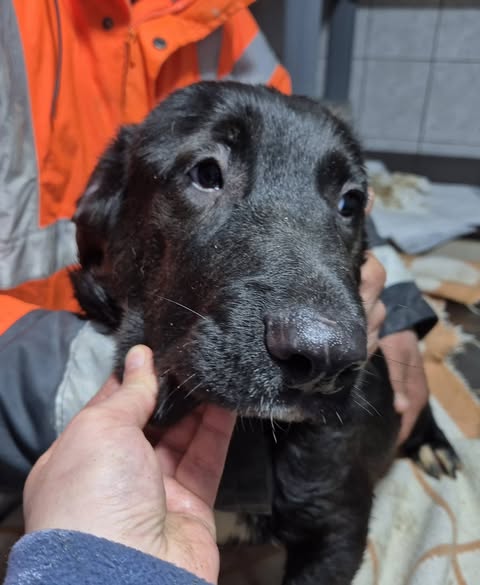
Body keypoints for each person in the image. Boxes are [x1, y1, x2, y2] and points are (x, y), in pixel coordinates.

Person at [1, 0, 436, 560]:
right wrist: (82, 377)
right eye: (208, 174)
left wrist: (396, 304)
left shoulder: (218, 15)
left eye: (347, 203)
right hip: (41, 354)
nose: (326, 346)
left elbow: (295, 144)